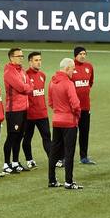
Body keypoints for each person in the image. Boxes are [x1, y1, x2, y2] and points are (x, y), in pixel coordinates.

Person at [48, 58, 82, 190]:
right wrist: (77, 115)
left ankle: (52, 180)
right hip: (69, 122)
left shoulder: (52, 82)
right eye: (73, 69)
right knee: (69, 152)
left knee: (54, 151)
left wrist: (59, 110)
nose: (74, 71)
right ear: (67, 68)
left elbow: (50, 102)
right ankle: (68, 181)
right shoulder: (68, 83)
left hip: (56, 120)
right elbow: (76, 104)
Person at [2, 47, 33, 174]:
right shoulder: (9, 72)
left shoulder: (22, 71)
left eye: (22, 56)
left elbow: (30, 86)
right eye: (18, 56)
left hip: (24, 108)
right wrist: (28, 86)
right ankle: (6, 164)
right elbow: (22, 88)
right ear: (11, 58)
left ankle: (15, 162)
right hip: (14, 110)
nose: (21, 58)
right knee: (12, 136)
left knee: (20, 136)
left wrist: (28, 86)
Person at [22, 51, 51, 169]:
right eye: (36, 60)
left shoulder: (42, 75)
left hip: (42, 113)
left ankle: (52, 158)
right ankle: (29, 160)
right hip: (29, 114)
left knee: (47, 137)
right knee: (27, 138)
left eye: (40, 60)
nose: (39, 62)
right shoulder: (24, 75)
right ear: (30, 62)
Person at [72, 46, 95, 165]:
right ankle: (66, 157)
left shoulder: (89, 67)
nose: (83, 56)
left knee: (84, 132)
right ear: (75, 55)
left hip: (85, 107)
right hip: (72, 108)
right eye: (80, 54)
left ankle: (84, 156)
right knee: (70, 134)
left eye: (84, 53)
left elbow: (90, 82)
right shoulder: (71, 67)